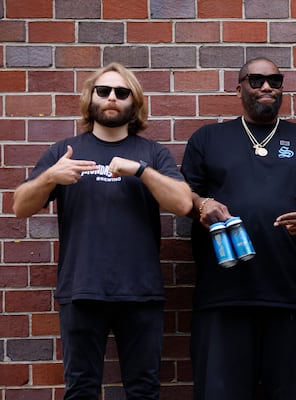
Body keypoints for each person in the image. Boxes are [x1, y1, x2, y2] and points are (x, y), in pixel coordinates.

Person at [12, 62, 193, 400]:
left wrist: (142, 172)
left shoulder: (151, 153)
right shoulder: (64, 152)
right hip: (81, 289)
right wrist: (51, 176)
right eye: (104, 91)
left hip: (141, 292)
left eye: (122, 92)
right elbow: (20, 206)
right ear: (91, 98)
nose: (112, 98)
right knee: (81, 390)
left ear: (134, 102)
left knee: (144, 391)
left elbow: (183, 204)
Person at [180, 57, 296, 400]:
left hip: (294, 296)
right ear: (239, 88)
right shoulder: (208, 138)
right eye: (256, 80)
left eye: (275, 81)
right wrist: (202, 205)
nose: (267, 86)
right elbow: (184, 195)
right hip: (223, 296)